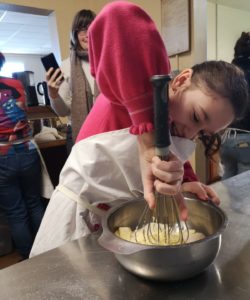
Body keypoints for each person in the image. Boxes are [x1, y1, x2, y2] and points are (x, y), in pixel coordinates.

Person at [30, 2, 248, 257]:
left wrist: (186, 181)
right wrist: (146, 132)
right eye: (196, 116)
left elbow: (170, 152)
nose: (190, 134)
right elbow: (117, 15)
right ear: (180, 80)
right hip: (74, 221)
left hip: (114, 222)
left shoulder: (179, 124)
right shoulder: (136, 86)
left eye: (202, 133)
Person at [0, 52, 45, 259]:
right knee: (34, 203)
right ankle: (46, 248)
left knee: (16, 212)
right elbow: (24, 111)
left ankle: (28, 256)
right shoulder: (17, 84)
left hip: (3, 155)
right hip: (27, 150)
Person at [46, 9, 96, 153]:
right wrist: (53, 94)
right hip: (77, 133)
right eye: (81, 30)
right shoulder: (66, 66)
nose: (86, 34)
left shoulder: (107, 63)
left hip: (106, 132)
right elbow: (63, 111)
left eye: (91, 28)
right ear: (75, 34)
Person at [220, 31, 250, 179]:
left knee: (228, 182)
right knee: (245, 189)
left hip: (226, 138)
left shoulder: (225, 73)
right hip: (246, 139)